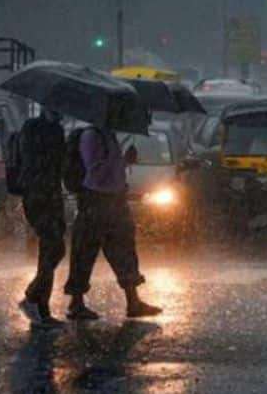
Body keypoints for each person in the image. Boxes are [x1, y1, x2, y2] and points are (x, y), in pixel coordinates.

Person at [64, 125, 162, 319]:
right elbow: (95, 171)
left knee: (124, 250)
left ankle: (133, 302)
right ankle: (76, 303)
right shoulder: (91, 136)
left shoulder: (109, 135)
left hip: (115, 200)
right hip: (96, 200)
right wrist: (120, 162)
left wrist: (125, 162)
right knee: (84, 252)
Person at [17, 108, 66, 328]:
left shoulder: (58, 130)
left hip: (53, 195)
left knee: (55, 249)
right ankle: (39, 306)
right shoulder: (31, 128)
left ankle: (34, 299)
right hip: (37, 195)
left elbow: (60, 166)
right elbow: (33, 160)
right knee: (51, 247)